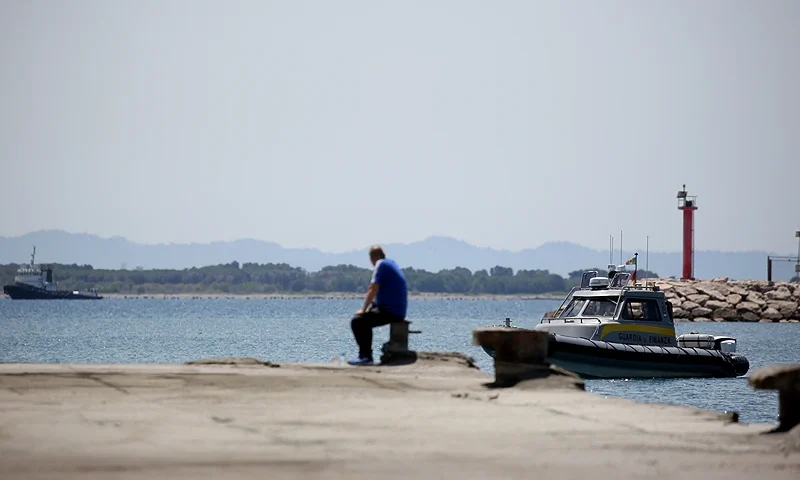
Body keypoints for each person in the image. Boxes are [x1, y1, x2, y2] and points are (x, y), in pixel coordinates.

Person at [347, 245, 408, 366]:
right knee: (366, 318)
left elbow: (373, 288)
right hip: (398, 310)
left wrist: (363, 309)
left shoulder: (380, 264)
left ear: (372, 258)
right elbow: (382, 294)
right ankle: (366, 355)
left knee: (358, 321)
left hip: (391, 311)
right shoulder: (391, 263)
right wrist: (371, 307)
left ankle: (366, 357)